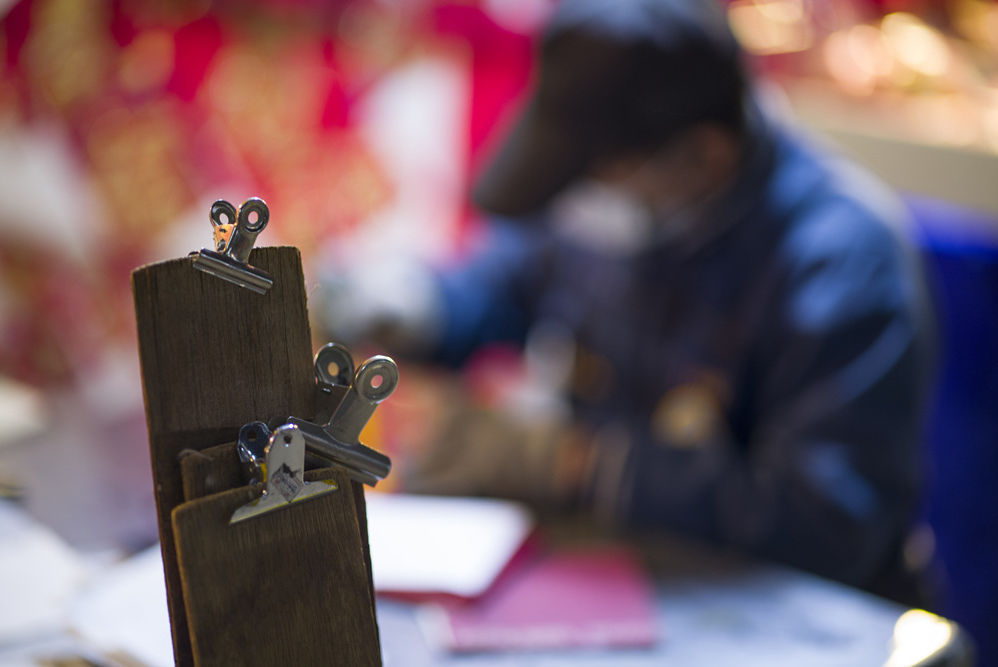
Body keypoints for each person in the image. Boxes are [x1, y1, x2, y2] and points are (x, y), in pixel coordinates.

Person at [318, 0, 937, 605]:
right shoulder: (609, 202)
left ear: (704, 155)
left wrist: (579, 464)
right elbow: (503, 285)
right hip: (626, 581)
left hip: (790, 618)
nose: (578, 204)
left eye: (600, 180)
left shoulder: (842, 264)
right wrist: (415, 303)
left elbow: (827, 526)